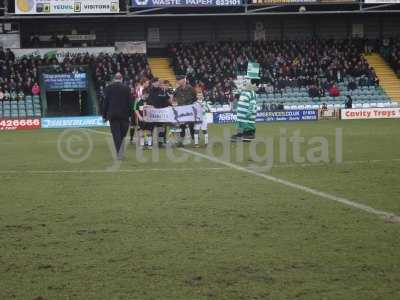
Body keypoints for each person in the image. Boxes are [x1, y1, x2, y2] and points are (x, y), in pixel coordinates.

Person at [102, 73, 133, 160]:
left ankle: (119, 153)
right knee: (122, 134)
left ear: (114, 79)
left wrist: (104, 115)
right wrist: (131, 115)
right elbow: (130, 103)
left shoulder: (108, 88)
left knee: (116, 135)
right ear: (121, 79)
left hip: (113, 115)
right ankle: (120, 153)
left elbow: (105, 103)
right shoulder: (127, 88)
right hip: (124, 115)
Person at [173, 75, 197, 147]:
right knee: (182, 126)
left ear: (184, 80)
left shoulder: (191, 88)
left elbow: (195, 98)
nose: (178, 81)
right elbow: (173, 99)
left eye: (179, 80)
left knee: (191, 125)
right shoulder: (177, 90)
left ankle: (194, 141)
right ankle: (181, 142)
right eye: (177, 80)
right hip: (181, 111)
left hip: (189, 110)